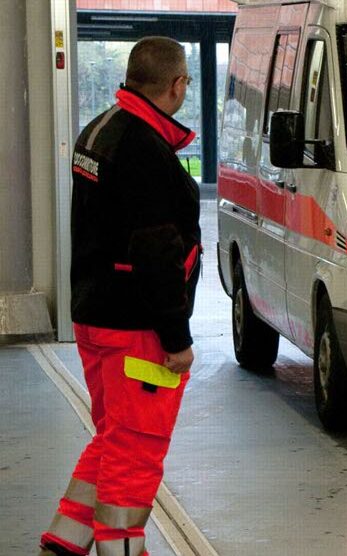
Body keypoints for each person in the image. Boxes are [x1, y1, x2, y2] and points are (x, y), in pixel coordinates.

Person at [39, 36, 201, 556]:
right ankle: (122, 547)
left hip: (97, 317)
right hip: (139, 330)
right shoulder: (145, 151)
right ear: (177, 85)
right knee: (137, 448)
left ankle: (65, 542)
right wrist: (176, 338)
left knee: (112, 437)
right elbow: (156, 252)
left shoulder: (100, 130)